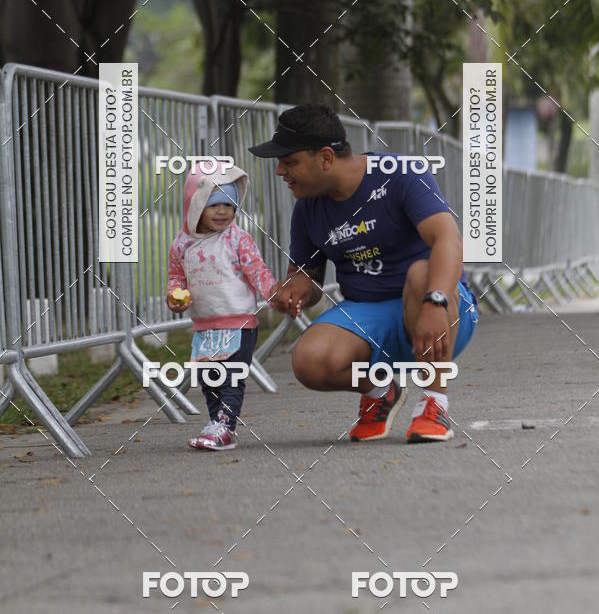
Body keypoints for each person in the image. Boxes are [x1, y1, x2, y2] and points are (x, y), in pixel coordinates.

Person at [249, 104, 478, 443]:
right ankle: (381, 392)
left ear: (326, 158)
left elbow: (449, 238)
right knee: (308, 360)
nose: (280, 170)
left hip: (439, 308)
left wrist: (437, 300)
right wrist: (295, 288)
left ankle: (435, 402)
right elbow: (308, 280)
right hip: (368, 313)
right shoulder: (307, 210)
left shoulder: (401, 173)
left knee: (419, 273)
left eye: (290, 161)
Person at [166, 161, 277, 451]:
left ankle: (225, 426)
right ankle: (216, 424)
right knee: (209, 378)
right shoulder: (182, 244)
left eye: (229, 205)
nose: (222, 211)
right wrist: (175, 295)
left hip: (239, 322)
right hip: (205, 325)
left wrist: (274, 293)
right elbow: (176, 277)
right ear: (195, 205)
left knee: (232, 377)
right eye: (213, 204)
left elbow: (257, 270)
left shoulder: (237, 238)